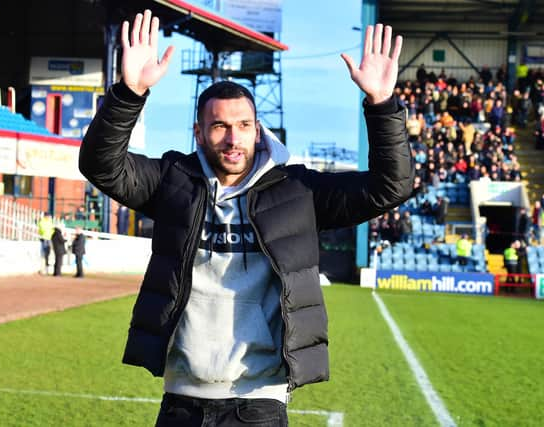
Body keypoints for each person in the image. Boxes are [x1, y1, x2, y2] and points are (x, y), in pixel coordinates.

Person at [79, 10, 411, 426]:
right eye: (219, 126)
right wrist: (129, 92)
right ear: (198, 132)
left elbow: (390, 186)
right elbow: (101, 164)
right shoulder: (172, 182)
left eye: (243, 125)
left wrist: (381, 105)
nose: (233, 138)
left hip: (260, 403)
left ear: (258, 130)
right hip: (182, 399)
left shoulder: (298, 191)